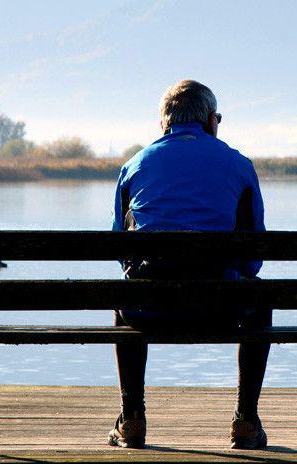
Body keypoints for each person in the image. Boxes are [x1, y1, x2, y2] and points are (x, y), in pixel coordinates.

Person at [108, 80, 271, 450]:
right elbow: (253, 258)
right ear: (212, 120)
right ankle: (246, 422)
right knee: (260, 301)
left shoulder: (134, 166)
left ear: (163, 124)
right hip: (222, 308)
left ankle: (132, 419)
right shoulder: (239, 165)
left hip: (148, 309)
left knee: (123, 298)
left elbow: (121, 250)